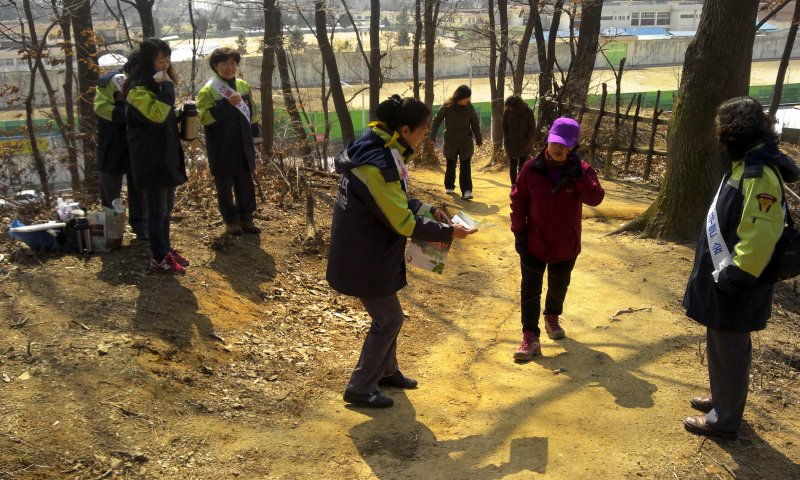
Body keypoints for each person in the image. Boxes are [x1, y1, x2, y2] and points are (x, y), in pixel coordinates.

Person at [327, 95, 476, 408]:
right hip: (363, 256)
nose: (425, 137)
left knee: (389, 316)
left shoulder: (380, 148)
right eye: (423, 131)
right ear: (405, 130)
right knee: (389, 319)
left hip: (370, 251)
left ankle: (386, 371)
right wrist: (449, 232)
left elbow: (393, 199)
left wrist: (428, 209)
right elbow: (402, 221)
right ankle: (360, 387)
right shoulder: (377, 163)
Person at [682, 96, 799, 440]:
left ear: (735, 129)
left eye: (721, 125)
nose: (717, 131)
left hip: (739, 280)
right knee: (722, 344)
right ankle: (724, 400)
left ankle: (724, 419)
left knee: (730, 348)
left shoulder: (757, 173)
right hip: (728, 277)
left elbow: (760, 232)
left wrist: (737, 275)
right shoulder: (744, 163)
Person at [510, 117, 604, 361]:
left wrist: (579, 176)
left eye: (565, 145)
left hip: (565, 243)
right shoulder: (531, 168)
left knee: (559, 284)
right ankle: (530, 337)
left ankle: (552, 316)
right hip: (534, 241)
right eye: (555, 143)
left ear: (573, 146)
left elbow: (595, 198)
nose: (558, 149)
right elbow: (518, 200)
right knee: (530, 288)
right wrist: (519, 232)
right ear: (548, 140)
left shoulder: (581, 170)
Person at [124, 38, 189, 273]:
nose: (165, 65)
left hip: (166, 156)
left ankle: (165, 248)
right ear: (147, 62)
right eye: (160, 60)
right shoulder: (136, 91)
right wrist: (168, 88)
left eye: (167, 60)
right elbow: (157, 115)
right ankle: (158, 256)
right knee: (157, 210)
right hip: (150, 160)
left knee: (166, 208)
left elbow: (164, 115)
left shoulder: (157, 87)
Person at [197, 47, 263, 236]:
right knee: (224, 186)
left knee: (245, 183)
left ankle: (246, 218)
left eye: (233, 63)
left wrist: (257, 138)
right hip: (221, 146)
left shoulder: (242, 86)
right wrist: (226, 105)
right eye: (224, 63)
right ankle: (231, 220)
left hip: (243, 144)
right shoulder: (208, 90)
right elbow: (205, 119)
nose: (229, 67)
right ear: (215, 66)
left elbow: (253, 115)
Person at [93, 53, 149, 241]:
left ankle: (141, 226)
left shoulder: (148, 83)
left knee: (139, 187)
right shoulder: (112, 80)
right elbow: (100, 108)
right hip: (113, 142)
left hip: (138, 144)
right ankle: (111, 232)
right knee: (110, 190)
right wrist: (129, 115)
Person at [429, 85, 482, 200]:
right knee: (451, 164)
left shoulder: (469, 107)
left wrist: (479, 139)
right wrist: (432, 136)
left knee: (465, 166)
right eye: (466, 97)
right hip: (451, 141)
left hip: (465, 142)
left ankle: (467, 191)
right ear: (460, 97)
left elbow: (475, 123)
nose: (468, 100)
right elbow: (436, 121)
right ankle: (449, 186)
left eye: (469, 97)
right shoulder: (447, 106)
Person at [502, 95, 536, 185]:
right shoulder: (507, 112)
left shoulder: (528, 112)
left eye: (511, 107)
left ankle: (521, 186)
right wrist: (507, 138)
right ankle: (513, 185)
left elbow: (532, 128)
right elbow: (504, 126)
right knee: (512, 166)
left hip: (524, 144)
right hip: (511, 144)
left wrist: (527, 141)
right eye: (508, 107)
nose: (510, 109)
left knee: (523, 166)